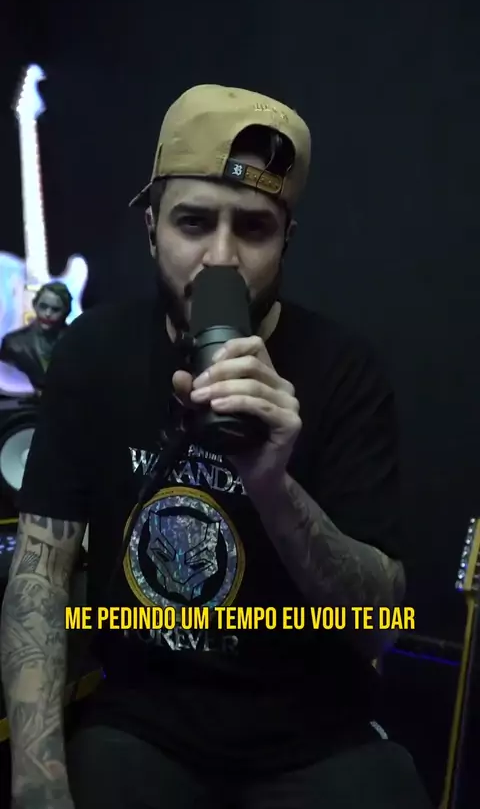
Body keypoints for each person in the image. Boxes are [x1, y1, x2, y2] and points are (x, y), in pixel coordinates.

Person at [0, 85, 432, 809]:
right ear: (151, 228)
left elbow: (376, 628)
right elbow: (41, 578)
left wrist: (273, 485)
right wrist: (37, 785)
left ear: (286, 239)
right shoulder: (94, 353)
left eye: (254, 228)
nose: (220, 259)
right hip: (143, 730)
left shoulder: (345, 372)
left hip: (316, 739)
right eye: (194, 222)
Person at [0, 281, 72, 392]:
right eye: (43, 306)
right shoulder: (13, 343)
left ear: (66, 311)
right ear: (34, 305)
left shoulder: (76, 342)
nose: (47, 314)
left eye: (55, 309)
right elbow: (6, 384)